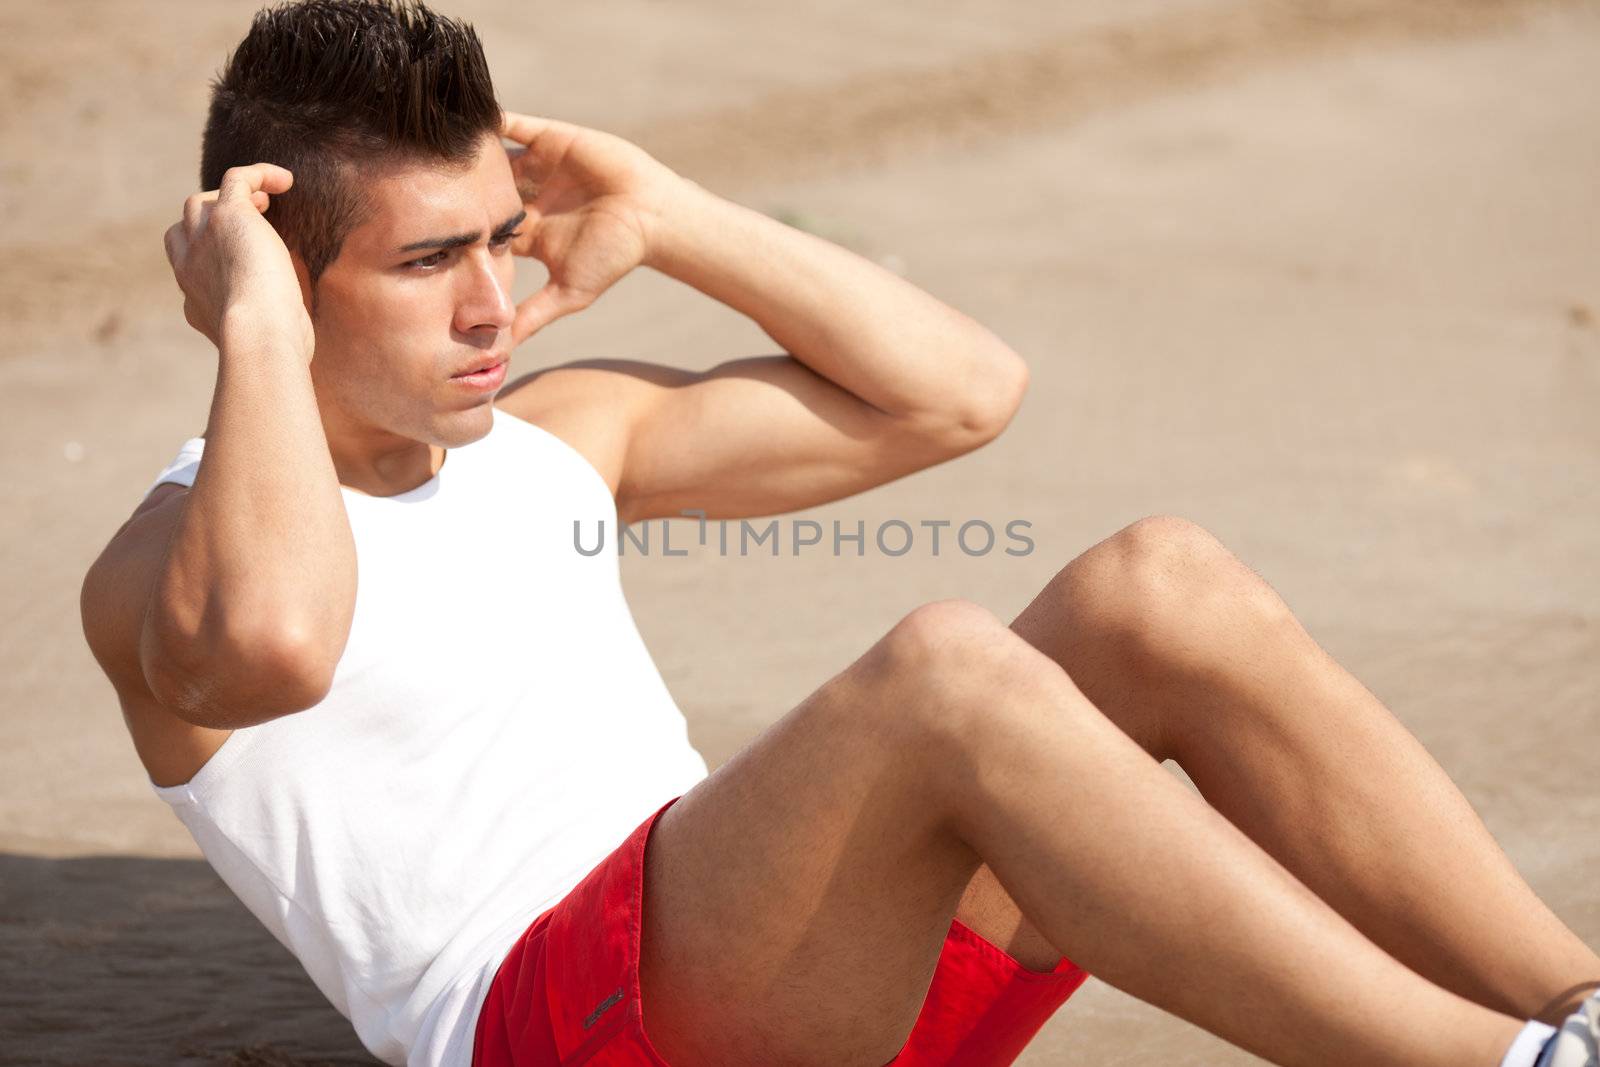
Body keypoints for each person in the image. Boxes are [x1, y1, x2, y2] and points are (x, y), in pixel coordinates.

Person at [77, 2, 1598, 1066]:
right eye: (427, 262)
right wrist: (254, 333)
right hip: (565, 1030)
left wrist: (672, 214)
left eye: (500, 239)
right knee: (942, 674)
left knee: (1161, 586)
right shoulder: (165, 562)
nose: (490, 306)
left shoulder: (555, 440)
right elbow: (270, 646)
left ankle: (1571, 1001)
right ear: (273, 269)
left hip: (800, 977)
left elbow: (957, 394)